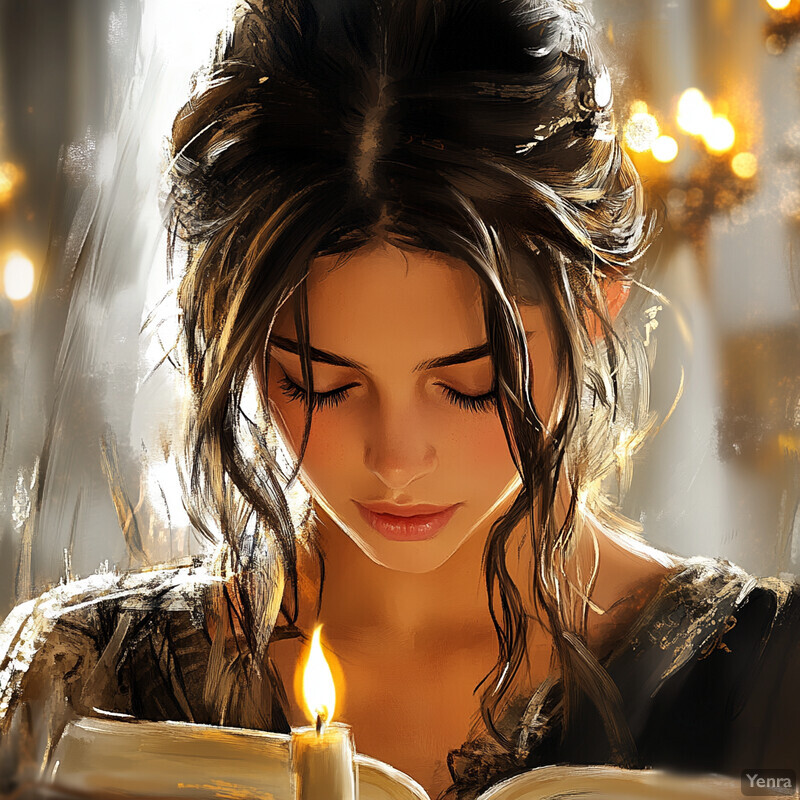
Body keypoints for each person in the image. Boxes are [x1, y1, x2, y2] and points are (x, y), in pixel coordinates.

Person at [1, 0, 799, 798]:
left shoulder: (768, 678)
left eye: (471, 386)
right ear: (234, 338)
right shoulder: (82, 683)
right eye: (321, 385)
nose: (397, 459)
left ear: (596, 309)